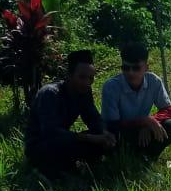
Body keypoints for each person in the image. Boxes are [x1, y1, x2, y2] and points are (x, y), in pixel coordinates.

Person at [25, 49, 116, 177]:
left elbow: (92, 117)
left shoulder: (84, 92)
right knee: (68, 145)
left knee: (109, 135)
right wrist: (89, 138)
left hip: (66, 140)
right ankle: (49, 169)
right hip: (42, 144)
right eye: (82, 77)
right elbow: (50, 132)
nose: (87, 82)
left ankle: (71, 165)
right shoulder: (50, 93)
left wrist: (104, 133)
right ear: (69, 75)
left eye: (91, 78)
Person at [101, 43, 171, 158]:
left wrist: (150, 122)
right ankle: (130, 157)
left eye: (136, 68)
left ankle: (150, 156)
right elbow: (112, 124)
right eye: (126, 68)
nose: (130, 73)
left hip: (144, 130)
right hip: (121, 132)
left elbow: (168, 109)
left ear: (146, 68)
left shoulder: (154, 81)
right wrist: (144, 122)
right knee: (112, 138)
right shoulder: (111, 87)